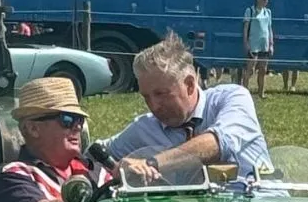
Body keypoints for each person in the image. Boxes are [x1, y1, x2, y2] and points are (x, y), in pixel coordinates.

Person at [103, 30, 272, 181]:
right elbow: (99, 153)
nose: (153, 106)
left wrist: (152, 163)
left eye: (161, 94)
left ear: (190, 84)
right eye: (146, 96)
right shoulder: (144, 128)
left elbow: (218, 143)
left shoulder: (233, 97)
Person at [241, 0, 273, 98]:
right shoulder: (250, 11)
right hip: (253, 45)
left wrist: (271, 44)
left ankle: (261, 93)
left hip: (264, 45)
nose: (266, 1)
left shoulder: (268, 12)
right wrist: (246, 43)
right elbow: (245, 28)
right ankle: (244, 93)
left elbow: (269, 29)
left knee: (263, 70)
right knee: (250, 70)